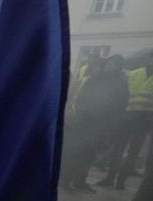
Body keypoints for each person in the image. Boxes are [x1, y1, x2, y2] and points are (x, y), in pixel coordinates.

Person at [63, 57, 129, 192]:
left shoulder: (120, 83)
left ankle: (80, 181)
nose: (108, 66)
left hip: (101, 124)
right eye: (107, 64)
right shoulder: (94, 80)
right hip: (86, 122)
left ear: (119, 67)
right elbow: (82, 100)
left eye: (112, 64)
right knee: (77, 152)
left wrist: (112, 124)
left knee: (90, 154)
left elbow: (120, 105)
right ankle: (65, 180)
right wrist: (85, 116)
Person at [98, 51, 153, 189]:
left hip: (144, 120)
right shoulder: (134, 74)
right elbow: (122, 95)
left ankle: (120, 182)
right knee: (119, 149)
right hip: (127, 118)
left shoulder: (134, 73)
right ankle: (110, 178)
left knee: (132, 153)